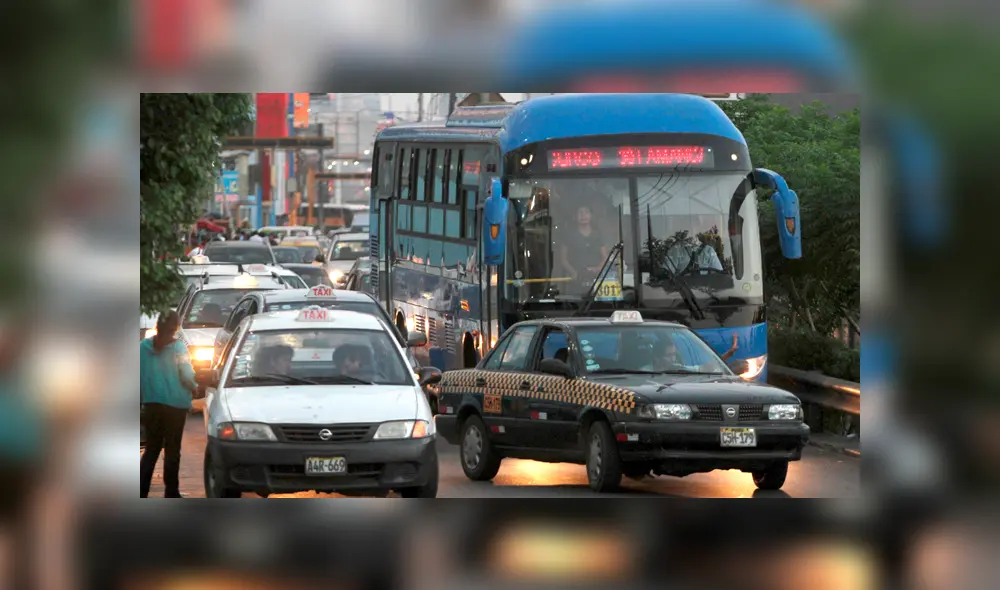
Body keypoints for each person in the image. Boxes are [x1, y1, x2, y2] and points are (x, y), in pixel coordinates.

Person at [139, 311, 197, 498]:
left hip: (151, 404)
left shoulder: (142, 347)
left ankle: (141, 490)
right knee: (173, 450)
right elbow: (187, 375)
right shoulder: (179, 348)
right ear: (176, 327)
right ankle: (171, 491)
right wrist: (195, 387)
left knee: (151, 449)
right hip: (175, 405)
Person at [558, 204, 610, 282]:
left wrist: (598, 269)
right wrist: (573, 272)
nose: (583, 216)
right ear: (575, 216)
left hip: (597, 279)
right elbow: (563, 259)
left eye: (586, 212)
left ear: (591, 215)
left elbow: (605, 257)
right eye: (580, 213)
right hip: (575, 279)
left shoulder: (598, 235)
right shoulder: (568, 236)